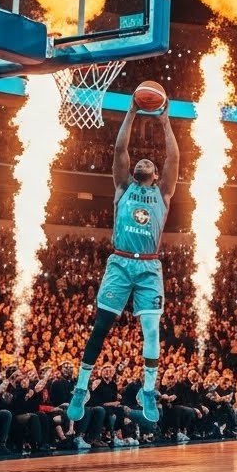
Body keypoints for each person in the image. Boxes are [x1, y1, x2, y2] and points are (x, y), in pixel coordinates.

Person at [67, 103, 180, 426]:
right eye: (140, 161)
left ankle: (147, 389)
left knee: (151, 329)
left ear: (156, 175)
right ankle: (81, 387)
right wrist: (131, 112)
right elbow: (120, 148)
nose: (145, 161)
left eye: (150, 162)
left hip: (148, 267)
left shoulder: (164, 192)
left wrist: (164, 121)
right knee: (101, 326)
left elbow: (174, 158)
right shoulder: (122, 186)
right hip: (119, 263)